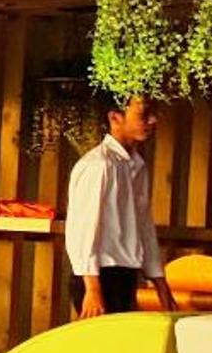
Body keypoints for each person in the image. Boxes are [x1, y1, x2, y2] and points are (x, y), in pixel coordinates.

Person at [66, 93, 173, 317]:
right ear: (115, 118)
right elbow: (83, 230)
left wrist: (161, 284)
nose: (152, 120)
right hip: (98, 277)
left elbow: (144, 226)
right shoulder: (98, 165)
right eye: (144, 114)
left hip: (126, 275)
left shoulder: (137, 166)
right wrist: (92, 288)